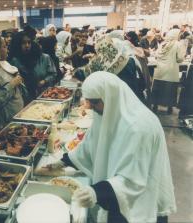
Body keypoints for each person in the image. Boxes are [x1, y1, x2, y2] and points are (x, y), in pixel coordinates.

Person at [42, 71, 176, 223]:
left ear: (110, 96)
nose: (90, 107)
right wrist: (64, 160)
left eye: (94, 102)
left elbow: (133, 180)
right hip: (117, 193)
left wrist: (96, 193)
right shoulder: (108, 112)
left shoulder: (139, 127)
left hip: (141, 199)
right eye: (88, 101)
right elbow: (90, 144)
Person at [79, 36, 144, 102]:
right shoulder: (128, 58)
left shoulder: (102, 65)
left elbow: (84, 74)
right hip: (134, 95)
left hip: (119, 99)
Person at [9, 31, 57, 100]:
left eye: (29, 42)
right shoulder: (15, 61)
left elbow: (53, 73)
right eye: (23, 43)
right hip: (24, 98)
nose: (27, 45)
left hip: (44, 95)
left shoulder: (43, 57)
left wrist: (44, 80)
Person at [151, 29, 187, 114]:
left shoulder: (163, 44)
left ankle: (155, 106)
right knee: (170, 89)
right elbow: (179, 59)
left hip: (160, 70)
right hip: (171, 70)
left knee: (158, 88)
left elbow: (156, 55)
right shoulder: (178, 44)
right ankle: (169, 108)